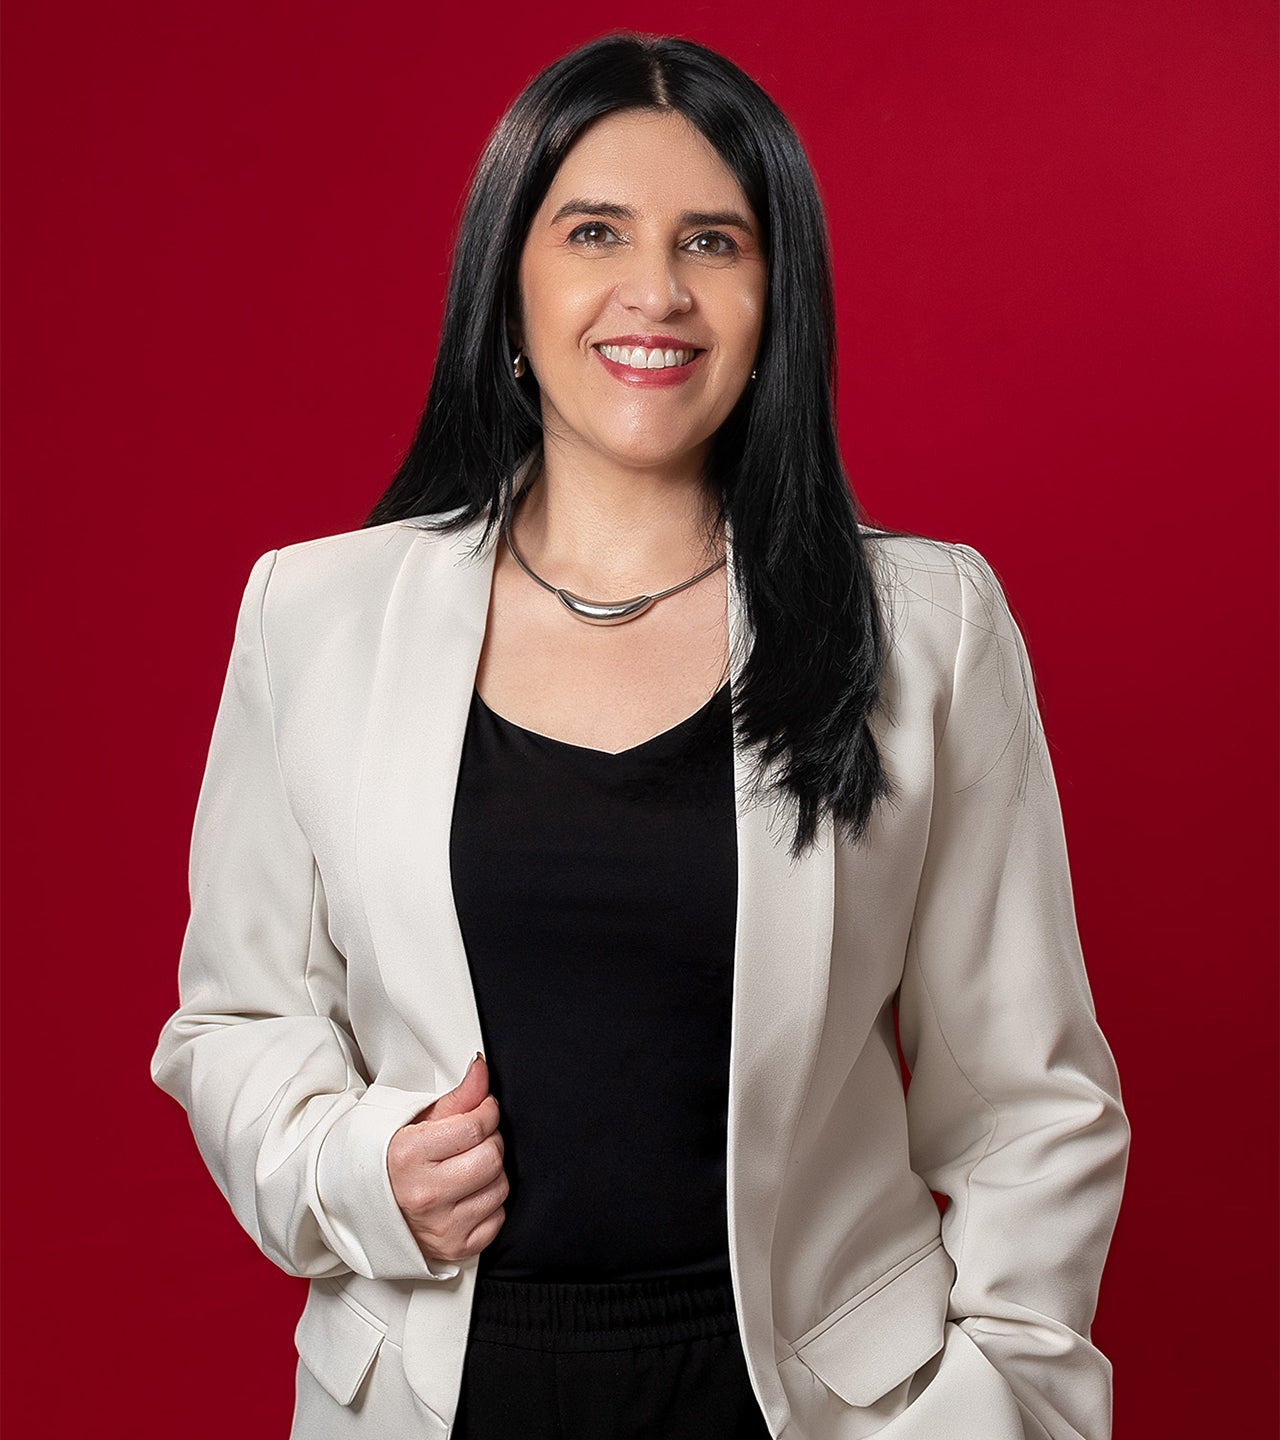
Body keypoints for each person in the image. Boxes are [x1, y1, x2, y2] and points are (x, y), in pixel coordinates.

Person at [151, 31, 1129, 1440]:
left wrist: (997, 1407)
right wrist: (352, 1170)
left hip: (816, 1405)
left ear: (775, 297)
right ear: (511, 282)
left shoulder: (927, 627)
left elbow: (1030, 1102)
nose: (655, 291)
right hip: (425, 1397)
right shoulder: (315, 616)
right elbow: (236, 1020)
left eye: (712, 241)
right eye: (594, 231)